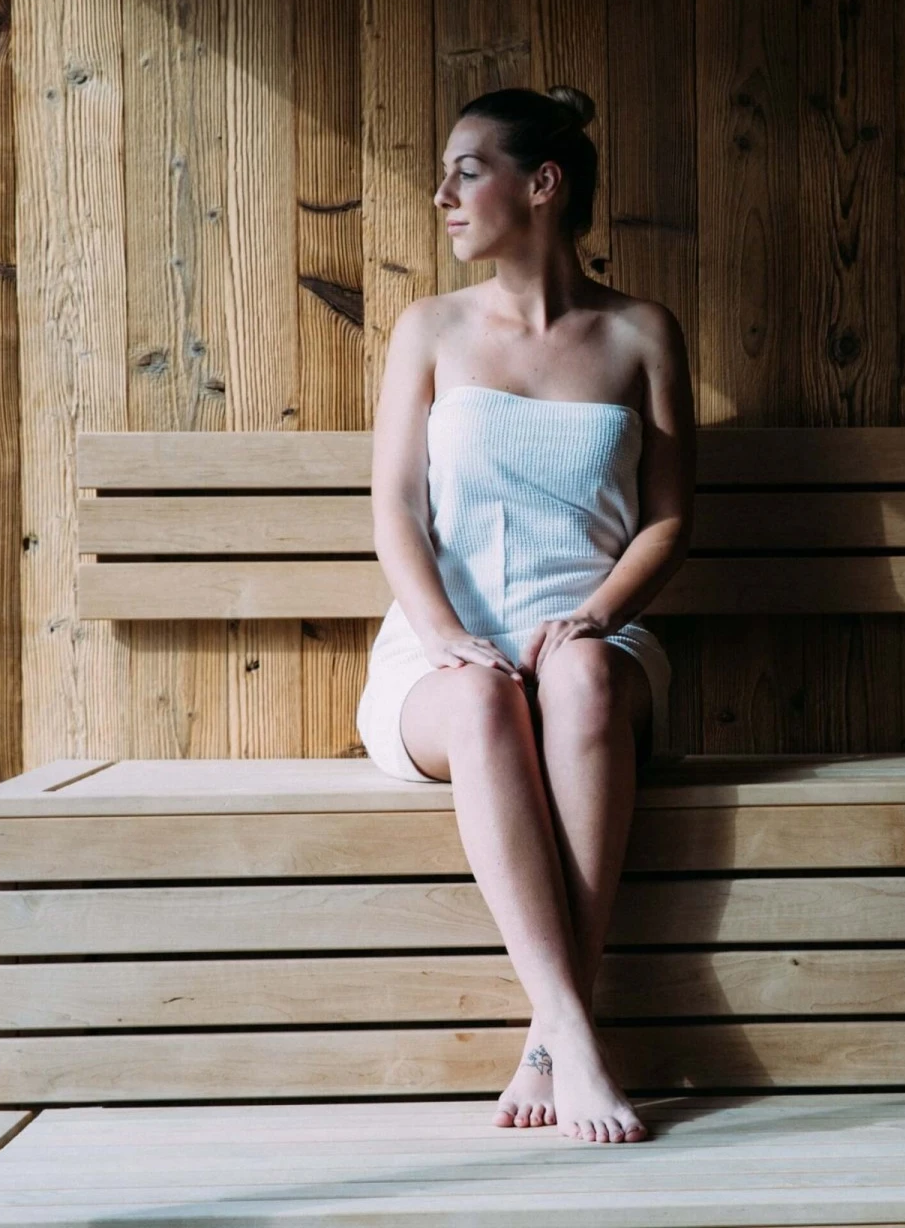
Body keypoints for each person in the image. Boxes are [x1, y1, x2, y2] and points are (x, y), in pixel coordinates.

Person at [354, 84, 695, 1144]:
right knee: (480, 698)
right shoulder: (432, 329)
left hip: (592, 639)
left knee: (578, 680)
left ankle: (552, 1037)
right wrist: (446, 630)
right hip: (441, 647)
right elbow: (396, 511)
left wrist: (594, 614)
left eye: (466, 171)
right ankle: (575, 1033)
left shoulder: (641, 332)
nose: (441, 194)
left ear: (540, 185)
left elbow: (670, 521)